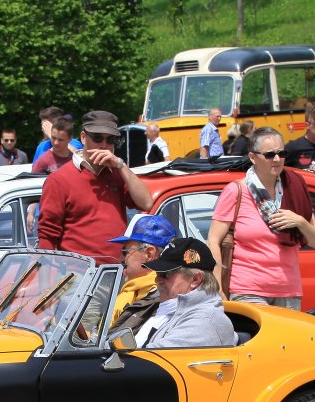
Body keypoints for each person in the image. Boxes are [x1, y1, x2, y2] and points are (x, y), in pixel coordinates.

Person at [209, 126, 315, 309]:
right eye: (269, 155)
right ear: (252, 157)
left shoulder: (294, 187)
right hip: (247, 290)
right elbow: (213, 240)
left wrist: (299, 221)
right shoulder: (236, 191)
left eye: (281, 153)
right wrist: (218, 287)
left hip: (289, 291)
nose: (277, 159)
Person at [36, 110, 153, 266]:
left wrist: (121, 165)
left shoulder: (117, 174)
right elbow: (47, 236)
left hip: (116, 270)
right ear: (83, 137)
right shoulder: (58, 180)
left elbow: (146, 203)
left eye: (110, 140)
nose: (104, 145)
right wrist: (47, 276)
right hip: (78, 272)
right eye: (97, 138)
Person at [137, 238, 237, 349]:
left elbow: (152, 357)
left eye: (165, 274)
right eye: (157, 274)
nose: (157, 280)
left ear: (195, 279)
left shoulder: (204, 322)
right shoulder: (170, 310)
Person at [108, 213, 178, 335]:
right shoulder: (135, 292)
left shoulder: (162, 296)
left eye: (125, 252)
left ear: (149, 254)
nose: (121, 259)